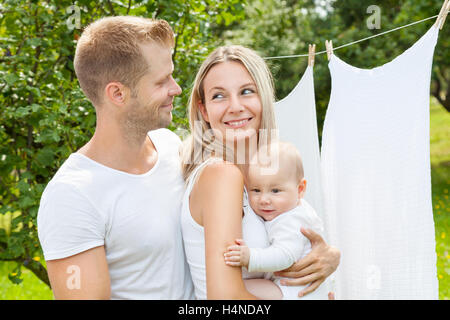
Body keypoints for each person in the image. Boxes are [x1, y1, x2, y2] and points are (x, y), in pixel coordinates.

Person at [37, 16, 194, 299]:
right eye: (161, 81)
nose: (176, 88)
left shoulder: (171, 146)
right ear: (118, 93)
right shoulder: (72, 196)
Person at [180, 45, 340, 299]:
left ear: (263, 98)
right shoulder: (220, 175)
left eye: (246, 91)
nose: (235, 107)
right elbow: (226, 301)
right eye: (219, 96)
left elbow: (291, 231)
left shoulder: (269, 169)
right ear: (203, 110)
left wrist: (328, 255)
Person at [224, 141, 329, 299]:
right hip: (288, 287)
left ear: (300, 189)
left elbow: (285, 255)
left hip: (297, 291)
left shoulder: (294, 219)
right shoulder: (285, 210)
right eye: (256, 190)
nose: (264, 199)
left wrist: (251, 257)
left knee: (232, 287)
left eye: (275, 190)